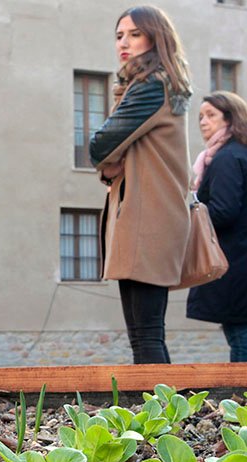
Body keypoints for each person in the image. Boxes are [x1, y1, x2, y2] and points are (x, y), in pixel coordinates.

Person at [89, 6, 192, 365]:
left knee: (146, 333)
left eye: (134, 34)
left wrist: (110, 160)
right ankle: (156, 412)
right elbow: (113, 155)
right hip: (144, 212)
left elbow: (100, 144)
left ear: (155, 37)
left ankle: (163, 417)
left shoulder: (151, 85)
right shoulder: (145, 84)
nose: (124, 42)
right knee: (142, 333)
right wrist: (112, 165)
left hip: (149, 216)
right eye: (119, 35)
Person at [186, 92, 247, 362]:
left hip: (234, 262)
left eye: (211, 115)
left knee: (240, 337)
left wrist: (193, 216)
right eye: (201, 116)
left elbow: (224, 211)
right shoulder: (246, 154)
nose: (203, 121)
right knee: (240, 332)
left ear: (231, 119)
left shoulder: (228, 157)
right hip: (245, 259)